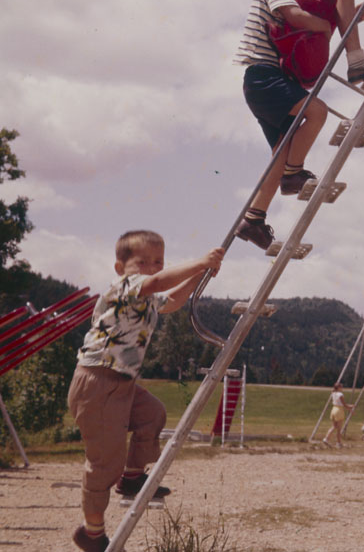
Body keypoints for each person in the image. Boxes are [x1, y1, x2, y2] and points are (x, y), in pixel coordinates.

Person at [67, 230, 224, 552]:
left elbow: (174, 299)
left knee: (153, 415)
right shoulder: (126, 287)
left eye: (158, 262)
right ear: (119, 267)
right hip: (96, 383)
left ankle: (133, 476)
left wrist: (200, 273)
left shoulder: (149, 298)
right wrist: (200, 261)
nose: (151, 268)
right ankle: (91, 532)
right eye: (143, 262)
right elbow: (157, 282)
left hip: (122, 384)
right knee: (104, 462)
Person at [233, 0, 331, 251]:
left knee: (281, 148)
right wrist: (324, 25)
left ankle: (254, 219)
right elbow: (294, 16)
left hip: (257, 82)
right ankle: (293, 174)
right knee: (318, 112)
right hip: (265, 76)